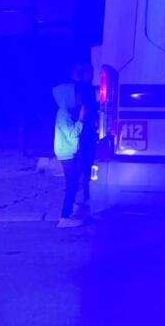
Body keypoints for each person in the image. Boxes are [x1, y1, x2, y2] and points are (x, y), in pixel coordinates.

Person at [52, 78, 87, 228]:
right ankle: (65, 217)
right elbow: (73, 133)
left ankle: (70, 209)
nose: (78, 99)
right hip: (67, 155)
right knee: (71, 185)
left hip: (66, 153)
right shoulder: (64, 113)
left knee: (73, 182)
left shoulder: (64, 112)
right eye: (75, 96)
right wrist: (81, 119)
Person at [72, 63, 98, 215]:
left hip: (85, 132)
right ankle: (83, 196)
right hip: (85, 132)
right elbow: (88, 110)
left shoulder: (80, 88)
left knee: (84, 165)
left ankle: (83, 195)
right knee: (85, 165)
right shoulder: (85, 89)